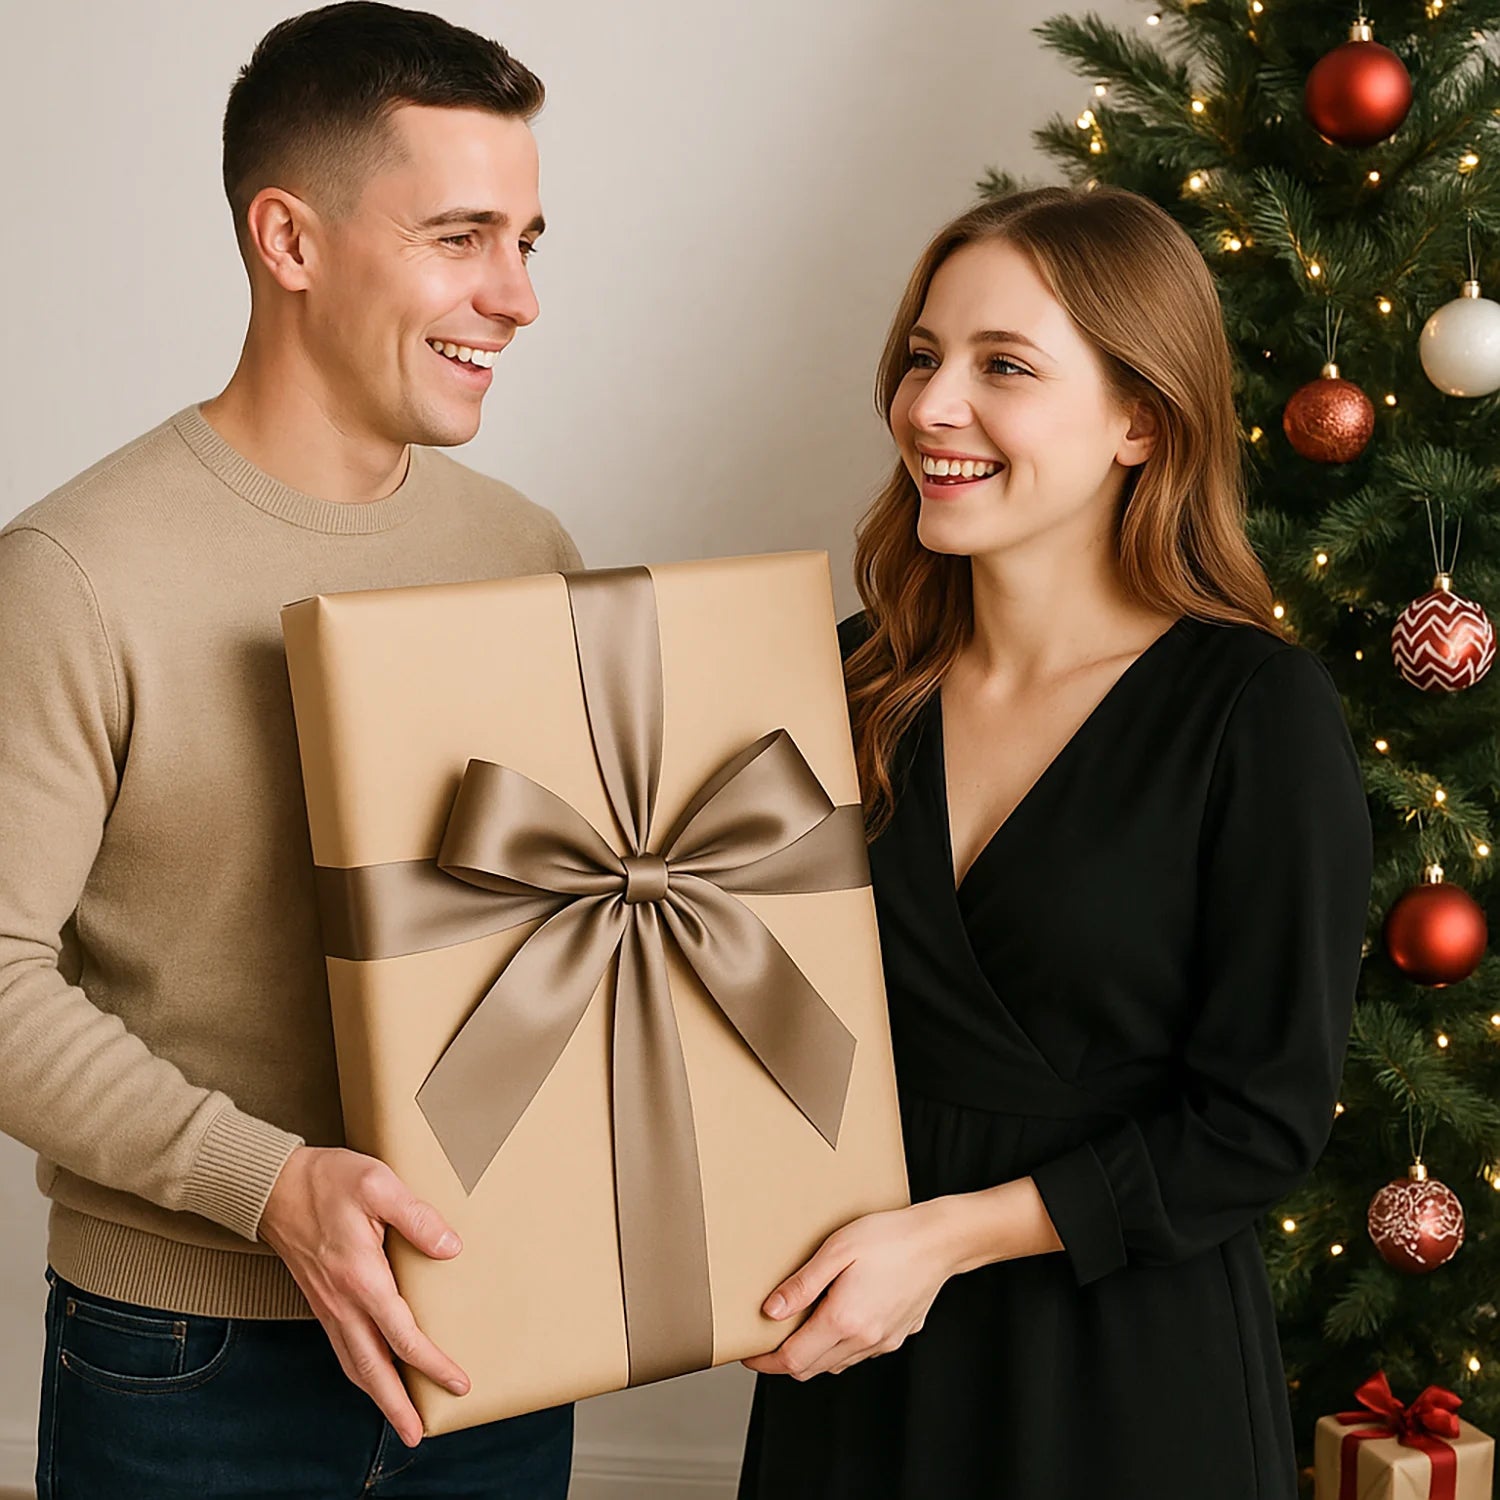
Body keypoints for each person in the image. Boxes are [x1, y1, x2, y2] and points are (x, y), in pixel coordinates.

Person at [0, 5, 581, 1495]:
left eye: (527, 240)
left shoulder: (531, 553)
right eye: (463, 237)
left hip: (498, 1343)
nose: (514, 297)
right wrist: (270, 1188)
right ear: (292, 241)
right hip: (188, 1365)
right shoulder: (75, 568)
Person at [736, 186, 1373, 1499]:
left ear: (1141, 419)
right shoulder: (846, 679)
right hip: (859, 1362)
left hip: (1121, 1379)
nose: (929, 407)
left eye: (1002, 366)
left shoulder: (1255, 711)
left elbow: (1259, 1122)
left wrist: (946, 1240)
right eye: (922, 357)